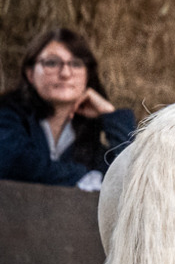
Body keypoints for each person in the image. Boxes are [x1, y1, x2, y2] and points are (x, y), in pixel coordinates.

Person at [0, 28, 136, 189]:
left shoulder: (88, 137)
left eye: (76, 64)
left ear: (87, 75)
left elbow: (131, 174)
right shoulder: (7, 116)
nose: (65, 73)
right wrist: (83, 177)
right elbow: (14, 161)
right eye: (51, 63)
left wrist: (110, 115)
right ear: (30, 74)